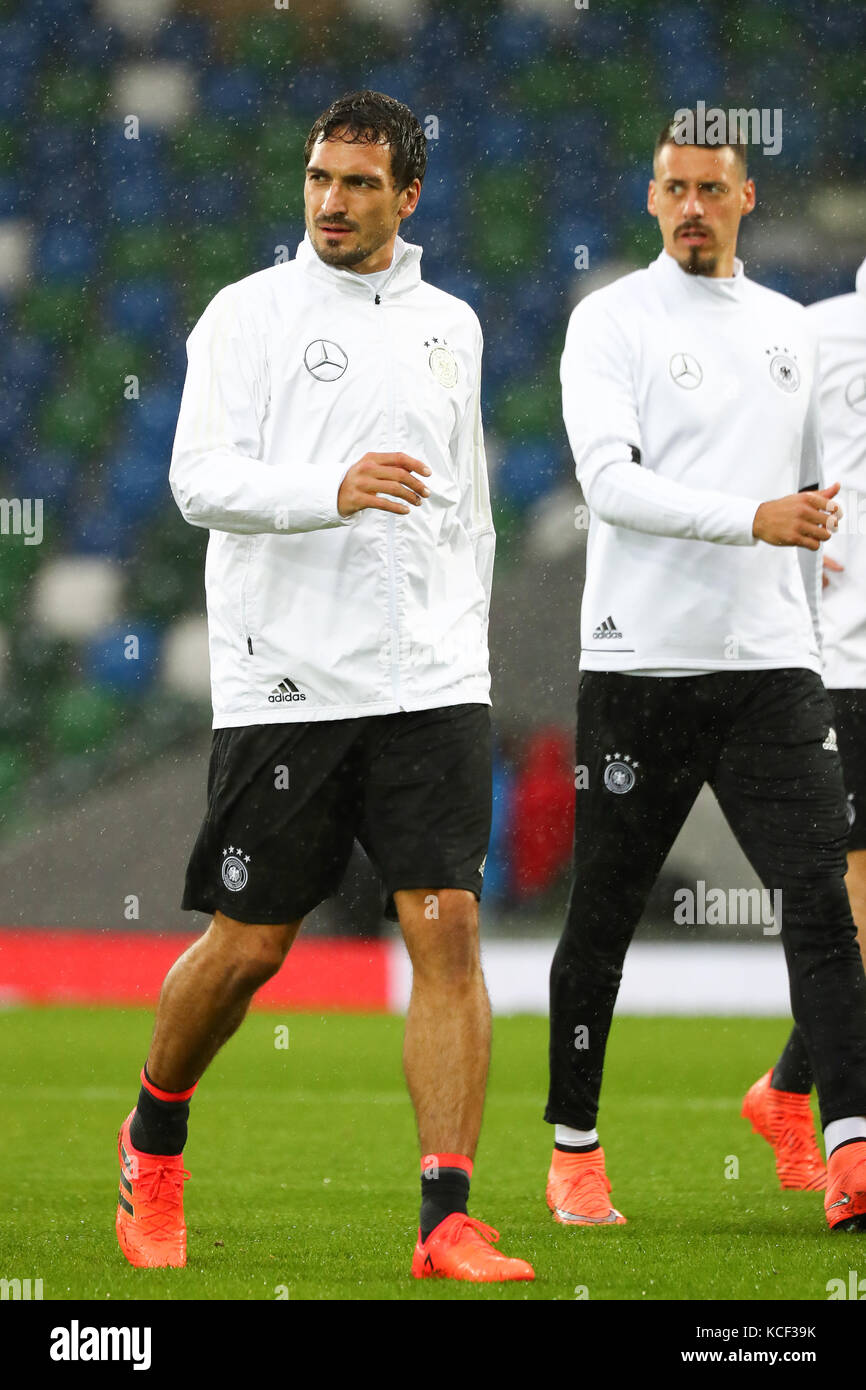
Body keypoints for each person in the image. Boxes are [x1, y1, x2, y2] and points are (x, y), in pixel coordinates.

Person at [115, 90, 533, 1284]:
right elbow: (198, 481)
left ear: (409, 193)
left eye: (358, 183)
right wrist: (329, 489)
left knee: (445, 929)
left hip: (433, 679)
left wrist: (470, 643)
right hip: (290, 679)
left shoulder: (453, 322)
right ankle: (154, 1138)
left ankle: (443, 1217)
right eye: (318, 179)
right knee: (250, 947)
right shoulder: (246, 315)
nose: (332, 202)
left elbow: (468, 506)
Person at [545, 111, 866, 1235]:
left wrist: (804, 536)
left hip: (771, 666)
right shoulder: (609, 322)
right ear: (649, 199)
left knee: (820, 906)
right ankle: (573, 1151)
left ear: (744, 201)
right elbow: (612, 487)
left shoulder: (788, 329)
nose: (690, 205)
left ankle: (847, 1147)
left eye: (710, 189)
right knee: (603, 917)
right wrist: (756, 518)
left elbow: (812, 493)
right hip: (640, 663)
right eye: (672, 188)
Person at [743, 255, 866, 1193]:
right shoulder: (810, 334)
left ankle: (790, 1089)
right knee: (853, 922)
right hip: (842, 666)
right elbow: (741, 461)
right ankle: (832, 1131)